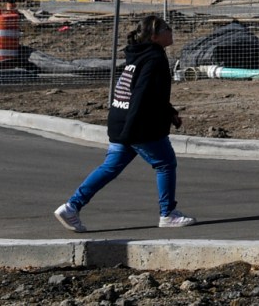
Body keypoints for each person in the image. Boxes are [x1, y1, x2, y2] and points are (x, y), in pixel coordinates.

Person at [53, 15, 193, 231]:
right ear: (155, 36)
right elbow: (141, 95)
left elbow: (149, 93)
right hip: (137, 125)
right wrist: (131, 131)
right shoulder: (154, 59)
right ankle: (168, 214)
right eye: (166, 28)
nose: (171, 30)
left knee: (110, 167)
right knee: (165, 164)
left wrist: (169, 111)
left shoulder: (140, 55)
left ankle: (71, 207)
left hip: (122, 120)